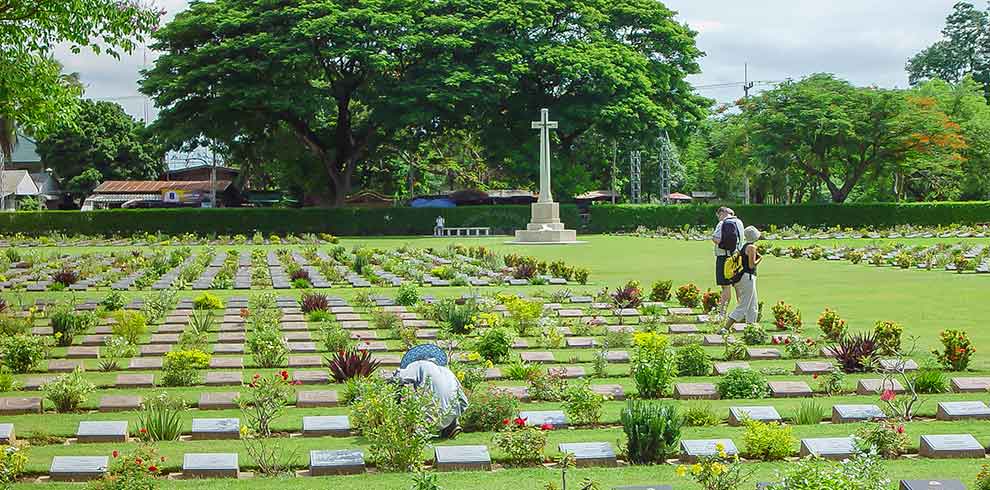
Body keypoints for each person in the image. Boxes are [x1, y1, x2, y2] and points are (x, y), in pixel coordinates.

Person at [393, 358, 468, 438]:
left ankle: (411, 430)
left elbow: (399, 377)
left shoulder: (418, 364)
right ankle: (452, 426)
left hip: (428, 416)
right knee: (450, 399)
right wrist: (455, 416)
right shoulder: (447, 371)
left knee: (405, 392)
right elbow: (464, 402)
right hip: (450, 415)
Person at [723, 226, 762, 329]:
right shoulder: (752, 247)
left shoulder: (744, 246)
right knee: (744, 305)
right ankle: (725, 328)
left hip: (742, 277)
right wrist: (760, 259)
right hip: (748, 277)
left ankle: (751, 328)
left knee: (752, 305)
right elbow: (751, 265)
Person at [712, 207, 745, 317]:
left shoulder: (722, 223)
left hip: (724, 257)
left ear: (721, 214)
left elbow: (717, 239)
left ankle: (722, 313)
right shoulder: (739, 222)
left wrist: (713, 239)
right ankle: (742, 312)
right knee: (738, 285)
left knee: (725, 286)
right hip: (738, 257)